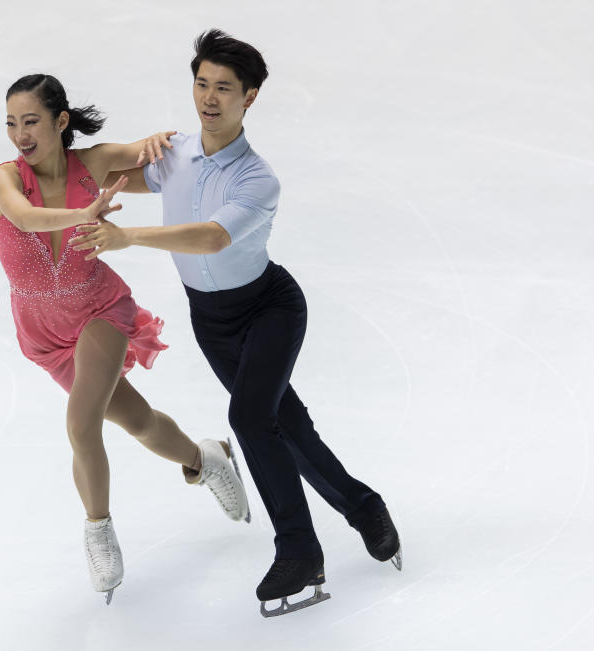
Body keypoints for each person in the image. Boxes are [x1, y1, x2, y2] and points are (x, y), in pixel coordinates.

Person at [69, 30, 402, 617]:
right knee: (287, 429)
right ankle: (362, 503)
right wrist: (76, 155)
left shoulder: (258, 179)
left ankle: (298, 550)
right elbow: (101, 172)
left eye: (225, 87)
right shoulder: (172, 155)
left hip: (269, 308)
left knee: (250, 418)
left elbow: (212, 236)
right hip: (211, 321)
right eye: (202, 84)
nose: (210, 98)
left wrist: (129, 237)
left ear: (250, 97)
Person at [0, 74, 249, 605]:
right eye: (12, 122)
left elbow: (162, 154)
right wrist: (81, 214)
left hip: (98, 308)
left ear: (61, 123)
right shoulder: (3, 179)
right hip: (43, 332)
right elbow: (23, 215)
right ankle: (207, 458)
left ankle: (98, 529)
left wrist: (155, 142)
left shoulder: (96, 163)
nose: (20, 134)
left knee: (81, 423)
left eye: (31, 120)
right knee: (140, 422)